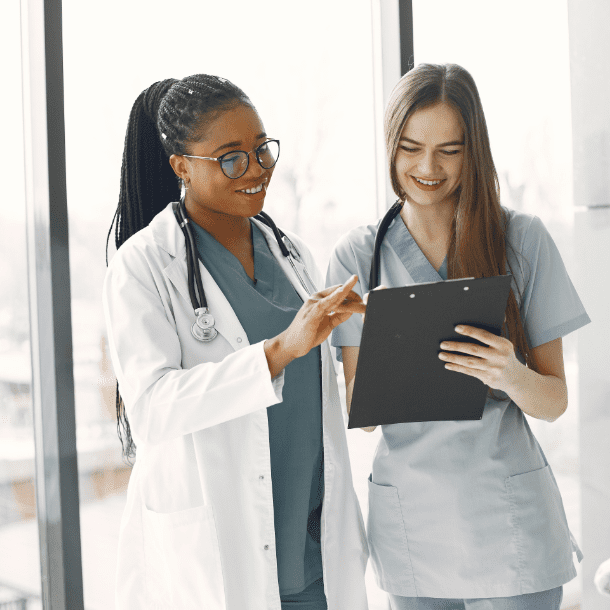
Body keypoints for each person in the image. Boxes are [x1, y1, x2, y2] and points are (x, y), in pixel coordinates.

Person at [326, 63, 590, 610]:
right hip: (413, 528)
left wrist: (510, 374)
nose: (428, 167)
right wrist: (386, 343)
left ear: (475, 151)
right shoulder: (357, 258)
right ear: (390, 145)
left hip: (509, 522)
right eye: (411, 146)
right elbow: (362, 414)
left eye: (450, 149)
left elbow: (554, 401)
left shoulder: (522, 240)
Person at [103, 75, 369, 610]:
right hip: (222, 559)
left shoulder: (291, 254)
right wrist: (279, 350)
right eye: (230, 158)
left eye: (261, 150)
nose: (256, 170)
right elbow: (153, 409)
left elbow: (317, 401)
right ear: (181, 166)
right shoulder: (144, 265)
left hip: (316, 548)